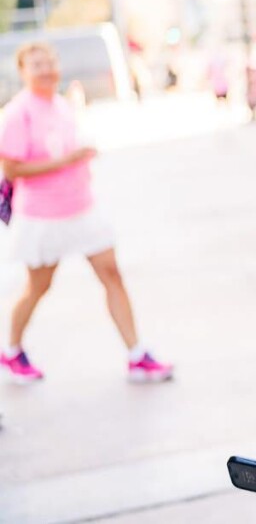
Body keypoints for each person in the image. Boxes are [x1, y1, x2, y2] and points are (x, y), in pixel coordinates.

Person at [0, 42, 173, 384]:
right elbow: (12, 168)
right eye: (37, 64)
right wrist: (68, 161)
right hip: (43, 216)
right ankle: (11, 350)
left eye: (50, 61)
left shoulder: (62, 104)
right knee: (39, 286)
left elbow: (70, 148)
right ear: (23, 71)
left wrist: (82, 159)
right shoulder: (19, 112)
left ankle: (136, 354)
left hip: (82, 208)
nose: (46, 69)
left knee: (112, 273)